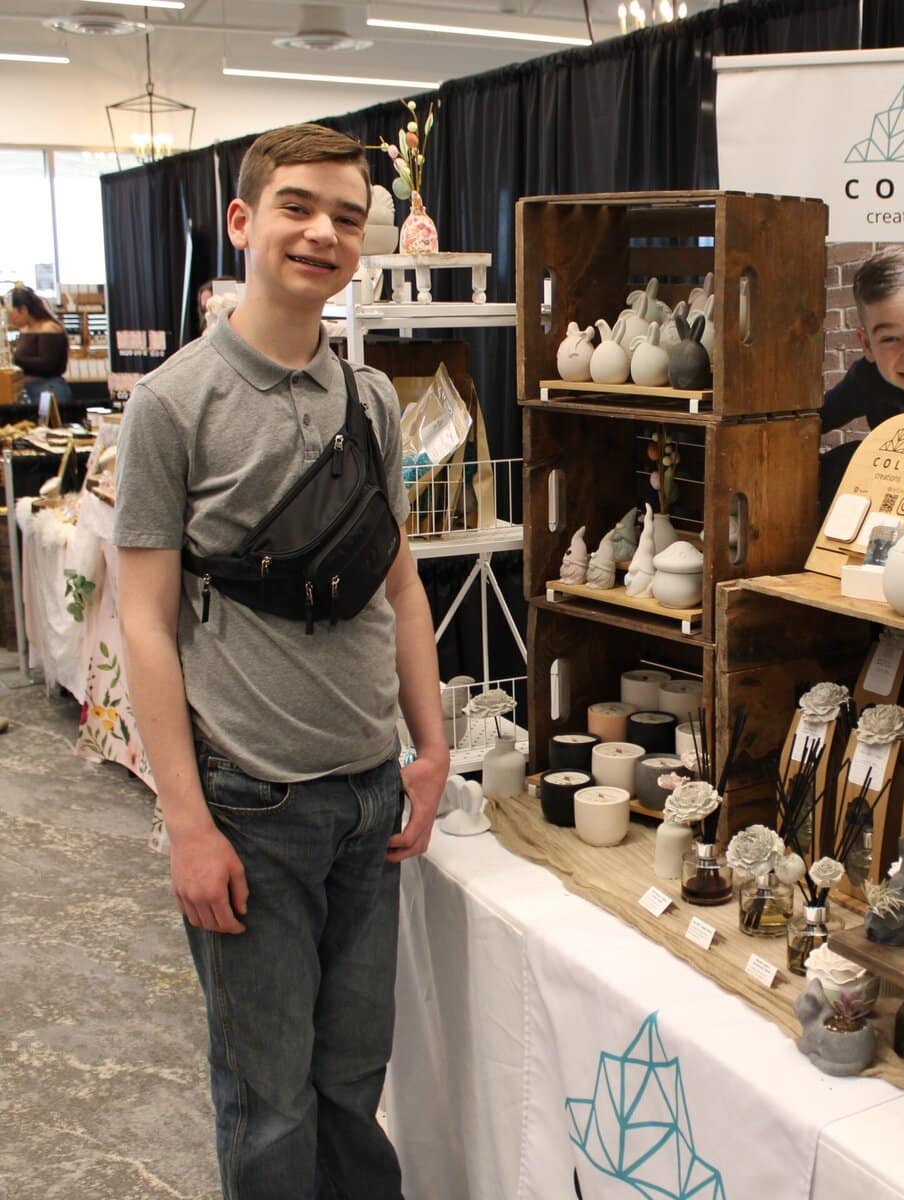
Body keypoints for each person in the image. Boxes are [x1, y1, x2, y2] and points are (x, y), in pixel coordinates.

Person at [114, 123, 448, 1200]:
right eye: (298, 207)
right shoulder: (173, 405)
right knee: (269, 1103)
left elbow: (399, 585)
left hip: (368, 799)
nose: (323, 234)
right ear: (243, 220)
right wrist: (186, 824)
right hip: (251, 806)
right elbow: (143, 625)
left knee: (352, 1082)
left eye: (347, 218)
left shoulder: (371, 399)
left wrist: (432, 748)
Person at [818, 244, 904, 512]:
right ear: (867, 345)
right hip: (898, 494)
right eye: (890, 339)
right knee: (847, 459)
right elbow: (816, 419)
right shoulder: (867, 379)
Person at [7, 285, 72, 409]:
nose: (10, 319)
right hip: (29, 389)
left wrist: (16, 360)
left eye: (11, 314)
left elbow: (47, 364)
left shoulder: (48, 328)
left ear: (23, 309)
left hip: (49, 389)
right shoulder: (25, 329)